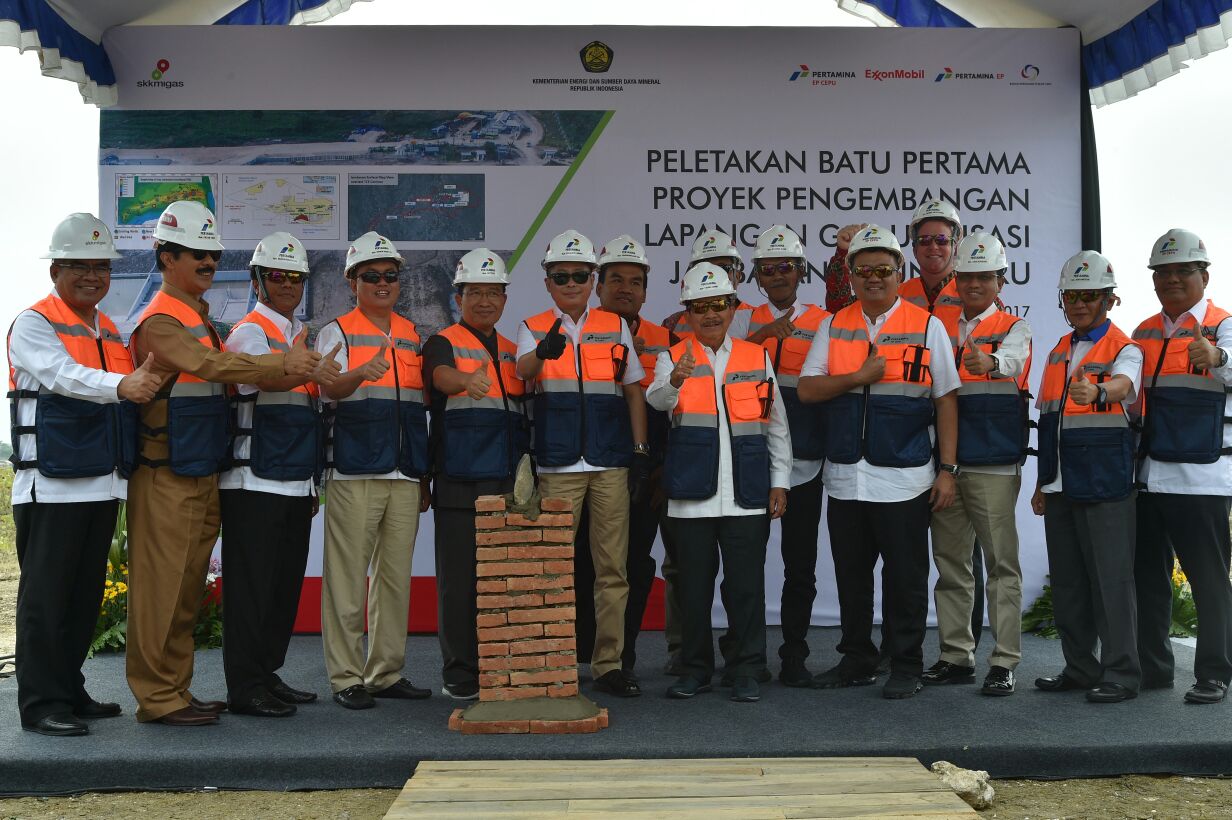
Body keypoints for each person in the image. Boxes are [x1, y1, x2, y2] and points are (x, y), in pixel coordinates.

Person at [126, 200, 321, 726]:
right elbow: (209, 366)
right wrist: (283, 362)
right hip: (165, 472)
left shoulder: (199, 318)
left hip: (196, 469)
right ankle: (158, 698)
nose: (208, 264)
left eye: (213, 255)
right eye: (196, 254)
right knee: (162, 590)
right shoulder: (161, 321)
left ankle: (176, 690)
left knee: (186, 591)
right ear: (166, 257)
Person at [7, 214, 162, 736]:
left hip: (100, 480)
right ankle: (41, 704)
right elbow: (60, 376)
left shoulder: (107, 328)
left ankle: (68, 689)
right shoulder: (34, 322)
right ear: (56, 269)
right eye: (79, 265)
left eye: (101, 266)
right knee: (46, 599)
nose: (92, 275)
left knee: (82, 598)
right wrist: (123, 387)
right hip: (49, 485)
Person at [797, 225, 959, 700]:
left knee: (906, 577)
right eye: (864, 270)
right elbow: (807, 390)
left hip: (906, 477)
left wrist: (947, 470)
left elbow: (946, 399)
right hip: (846, 477)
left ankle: (906, 664)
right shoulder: (833, 324)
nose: (874, 278)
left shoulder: (927, 325)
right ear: (850, 274)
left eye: (883, 270)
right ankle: (857, 660)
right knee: (851, 577)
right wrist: (856, 376)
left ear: (898, 272)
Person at [648, 262, 791, 703]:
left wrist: (780, 482)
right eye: (701, 306)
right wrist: (674, 380)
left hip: (747, 492)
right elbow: (657, 400)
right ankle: (694, 669)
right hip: (691, 495)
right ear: (687, 312)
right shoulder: (672, 356)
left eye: (720, 305)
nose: (711, 314)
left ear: (733, 308)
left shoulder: (756, 356)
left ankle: (747, 667)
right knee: (692, 587)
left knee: (745, 586)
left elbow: (778, 425)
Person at [515, 229, 648, 698]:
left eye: (579, 275)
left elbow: (633, 388)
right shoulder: (532, 326)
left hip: (610, 463)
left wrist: (638, 451)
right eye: (560, 276)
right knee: (551, 567)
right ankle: (548, 662)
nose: (570, 283)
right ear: (548, 281)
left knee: (612, 569)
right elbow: (521, 373)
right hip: (557, 465)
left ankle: (608, 665)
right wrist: (541, 353)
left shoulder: (615, 326)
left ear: (593, 279)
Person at [218, 232, 340, 717]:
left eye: (296, 277)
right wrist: (307, 371)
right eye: (278, 275)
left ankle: (266, 673)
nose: (288, 284)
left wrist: (311, 483)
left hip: (292, 480)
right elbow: (263, 378)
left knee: (283, 586)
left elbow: (305, 410)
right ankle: (244, 686)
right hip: (254, 480)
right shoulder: (251, 332)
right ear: (257, 280)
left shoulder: (297, 336)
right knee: (251, 588)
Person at [315, 231, 432, 710]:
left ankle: (385, 672)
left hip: (403, 473)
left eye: (390, 276)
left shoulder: (409, 332)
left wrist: (422, 475)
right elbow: (325, 390)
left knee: (394, 579)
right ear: (352, 281)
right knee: (346, 578)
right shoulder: (337, 332)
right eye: (371, 276)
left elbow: (417, 408)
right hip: (356, 469)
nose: (382, 283)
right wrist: (356, 375)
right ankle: (346, 676)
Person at [1030, 250, 1143, 704]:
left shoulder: (1125, 348)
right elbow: (1051, 421)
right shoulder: (1059, 349)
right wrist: (1042, 482)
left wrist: (1098, 389)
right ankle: (1079, 667)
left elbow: (1124, 386)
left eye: (1089, 295)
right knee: (1070, 581)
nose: (1079, 303)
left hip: (1104, 482)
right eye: (1072, 295)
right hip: (1060, 483)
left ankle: (1122, 674)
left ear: (1109, 300)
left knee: (1111, 581)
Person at [923, 232, 1031, 696]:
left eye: (984, 277)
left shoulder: (1014, 327)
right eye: (966, 276)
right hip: (947, 464)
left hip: (992, 464)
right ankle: (955, 656)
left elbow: (1011, 361)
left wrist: (990, 362)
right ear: (955, 278)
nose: (974, 284)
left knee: (1000, 565)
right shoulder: (939, 327)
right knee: (950, 565)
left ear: (1000, 281)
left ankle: (1004, 661)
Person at [570, 234, 678, 681]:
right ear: (599, 286)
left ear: (646, 292)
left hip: (643, 472)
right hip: (586, 466)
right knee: (580, 561)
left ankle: (621, 659)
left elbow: (680, 412)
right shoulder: (575, 331)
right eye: (616, 280)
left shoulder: (666, 340)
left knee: (633, 564)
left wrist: (661, 470)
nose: (626, 289)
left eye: (636, 282)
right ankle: (580, 656)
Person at [422, 248, 527, 701]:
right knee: (459, 584)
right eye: (475, 292)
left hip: (508, 481)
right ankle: (460, 672)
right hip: (460, 483)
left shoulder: (512, 349)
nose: (485, 301)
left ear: (505, 299)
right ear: (458, 296)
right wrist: (466, 381)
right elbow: (440, 377)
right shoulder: (443, 341)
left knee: (504, 579)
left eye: (493, 293)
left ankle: (500, 666)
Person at [1133, 229, 1232, 705]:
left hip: (1202, 477)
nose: (1171, 279)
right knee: (1148, 579)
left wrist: (1218, 357)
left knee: (1208, 579)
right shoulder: (1145, 330)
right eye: (1163, 272)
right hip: (1150, 477)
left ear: (1204, 276)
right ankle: (1153, 670)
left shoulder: (1224, 324)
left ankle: (1214, 674)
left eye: (1182, 270)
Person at [744, 225, 829, 687]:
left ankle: (794, 655)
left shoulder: (824, 320)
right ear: (756, 274)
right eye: (768, 268)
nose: (778, 276)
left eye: (786, 267)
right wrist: (760, 335)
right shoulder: (739, 319)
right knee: (746, 566)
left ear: (801, 271)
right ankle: (749, 655)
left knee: (801, 566)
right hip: (749, 460)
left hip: (806, 460)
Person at [663, 228, 755, 340]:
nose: (714, 274)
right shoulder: (673, 323)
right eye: (703, 268)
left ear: (738, 275)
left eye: (722, 268)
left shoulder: (754, 317)